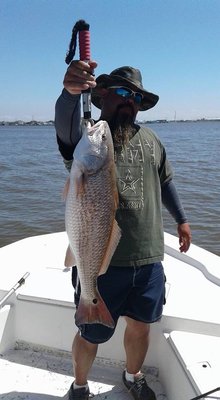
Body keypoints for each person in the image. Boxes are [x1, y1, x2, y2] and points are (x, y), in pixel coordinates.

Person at [55, 60, 192, 400]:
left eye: (135, 95)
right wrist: (69, 95)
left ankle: (133, 376)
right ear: (101, 97)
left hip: (148, 259)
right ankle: (80, 385)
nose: (129, 99)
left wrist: (182, 218)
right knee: (90, 332)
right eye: (120, 92)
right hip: (101, 263)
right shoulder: (88, 140)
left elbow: (167, 181)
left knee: (141, 326)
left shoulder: (153, 140)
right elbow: (65, 126)